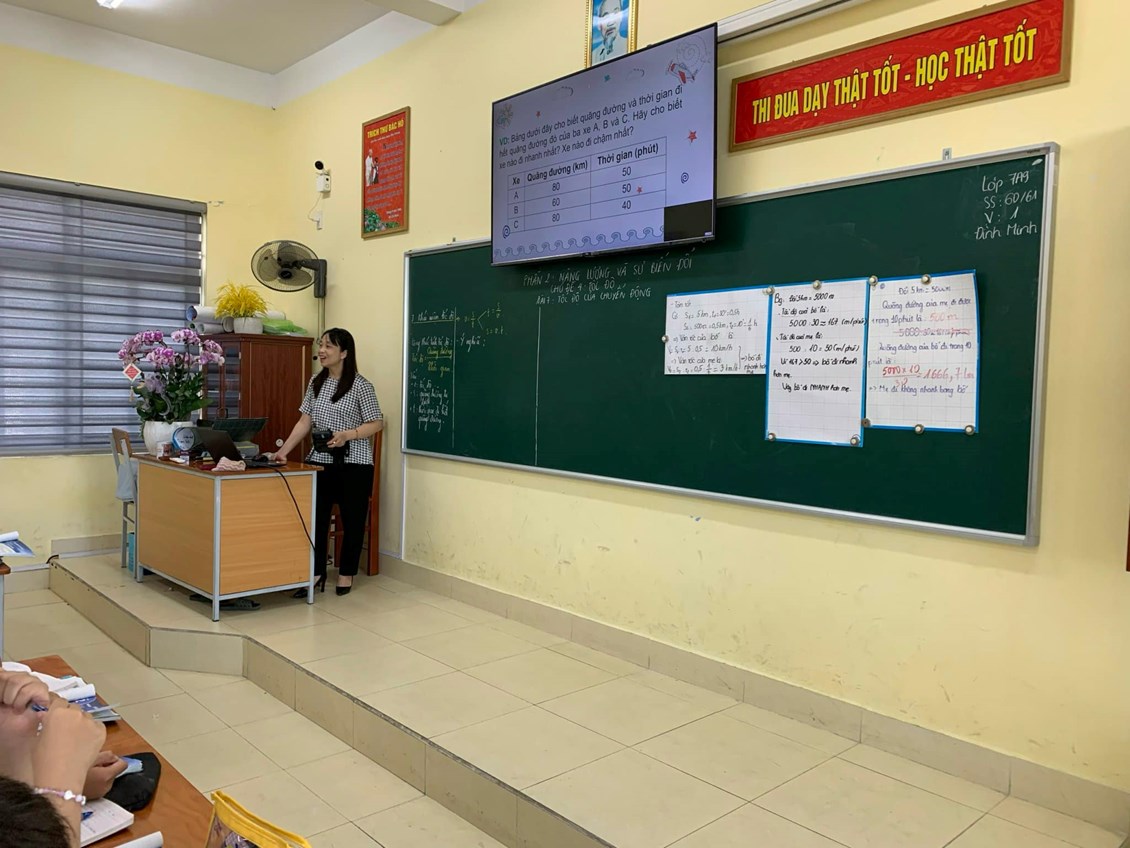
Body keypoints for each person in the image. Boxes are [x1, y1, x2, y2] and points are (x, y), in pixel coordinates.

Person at [274, 329, 384, 596]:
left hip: (354, 462)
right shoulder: (316, 382)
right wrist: (283, 452)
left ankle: (346, 572)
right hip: (320, 460)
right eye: (321, 345)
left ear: (344, 353)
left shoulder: (361, 385)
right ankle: (316, 571)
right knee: (315, 517)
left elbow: (376, 423)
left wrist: (348, 435)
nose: (321, 351)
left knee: (353, 517)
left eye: (328, 347)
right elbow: (305, 421)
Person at [591, 0, 627, 65]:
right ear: (599, 25)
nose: (610, 23)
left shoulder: (626, 46)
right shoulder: (594, 54)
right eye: (605, 17)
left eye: (616, 14)